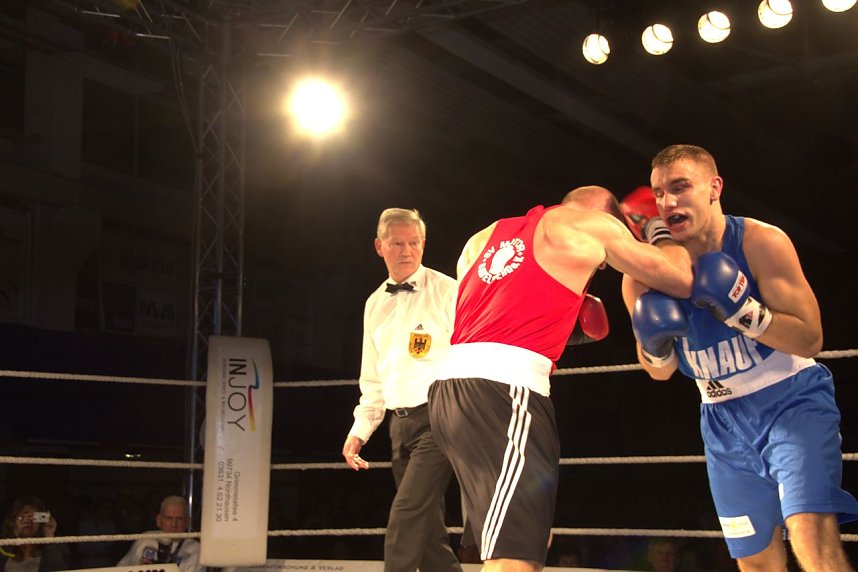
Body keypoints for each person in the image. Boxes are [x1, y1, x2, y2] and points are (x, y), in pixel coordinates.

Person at [427, 186, 695, 572]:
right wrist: (655, 226)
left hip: (449, 391)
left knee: (528, 539)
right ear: (605, 215)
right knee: (514, 557)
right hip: (505, 392)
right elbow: (681, 277)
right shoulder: (591, 226)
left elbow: (483, 314)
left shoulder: (484, 236)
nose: (600, 266)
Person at [621, 144, 858, 571]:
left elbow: (810, 339)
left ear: (714, 188)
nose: (667, 202)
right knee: (755, 563)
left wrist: (745, 314)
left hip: (791, 400)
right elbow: (660, 372)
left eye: (680, 187)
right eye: (658, 193)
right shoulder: (642, 276)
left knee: (811, 535)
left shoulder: (759, 241)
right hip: (721, 418)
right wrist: (654, 344)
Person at [341, 208, 463, 572]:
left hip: (441, 418)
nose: (407, 251)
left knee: (406, 516)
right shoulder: (374, 304)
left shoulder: (448, 291)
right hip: (399, 424)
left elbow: (472, 353)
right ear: (380, 247)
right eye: (397, 243)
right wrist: (360, 431)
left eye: (414, 242)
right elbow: (372, 377)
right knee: (427, 535)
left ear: (424, 244)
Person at [117, 495, 202, 572]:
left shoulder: (195, 549)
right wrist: (139, 569)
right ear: (159, 520)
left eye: (179, 519)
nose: (173, 524)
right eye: (169, 518)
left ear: (188, 522)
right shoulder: (145, 539)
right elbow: (120, 568)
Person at [0, 496, 69, 572]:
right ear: (14, 520)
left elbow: (59, 569)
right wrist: (14, 535)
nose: (29, 521)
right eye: (23, 517)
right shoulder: (3, 545)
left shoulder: (55, 546)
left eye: (34, 517)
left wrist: (49, 539)